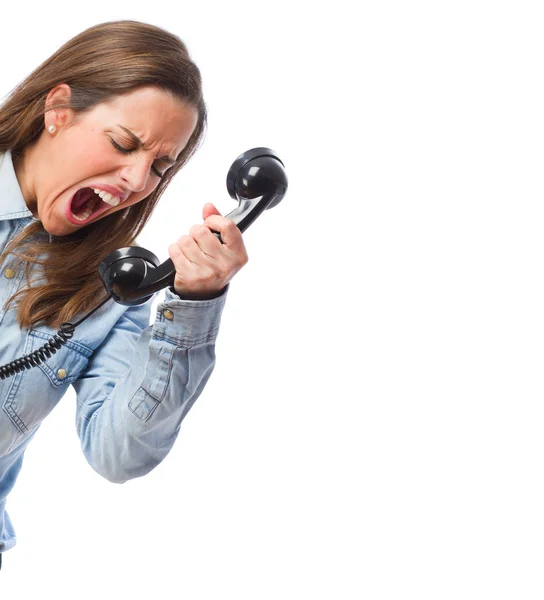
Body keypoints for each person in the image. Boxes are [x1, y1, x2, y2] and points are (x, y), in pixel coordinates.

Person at [0, 20, 248, 568]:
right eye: (123, 143)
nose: (137, 181)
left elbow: (120, 453)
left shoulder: (112, 286)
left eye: (160, 166)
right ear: (57, 110)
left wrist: (195, 303)